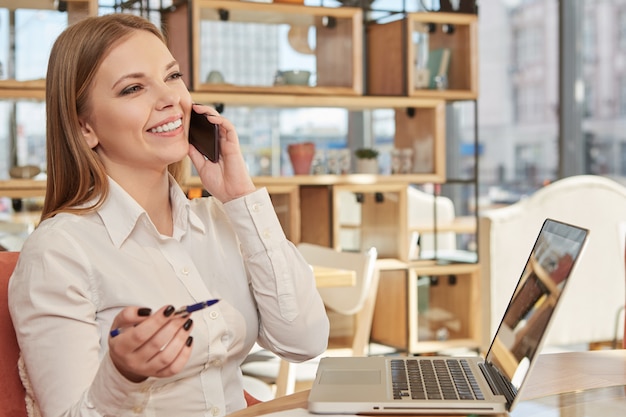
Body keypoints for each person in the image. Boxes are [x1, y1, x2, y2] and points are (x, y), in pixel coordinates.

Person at [8, 13, 329, 417]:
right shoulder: (59, 252)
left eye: (172, 76)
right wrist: (122, 377)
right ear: (85, 127)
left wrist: (242, 199)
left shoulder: (220, 220)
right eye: (133, 88)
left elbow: (304, 341)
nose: (169, 99)